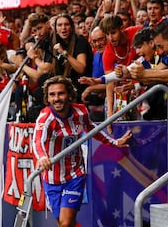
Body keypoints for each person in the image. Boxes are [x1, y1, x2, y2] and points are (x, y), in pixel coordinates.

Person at [33, 75, 132, 227]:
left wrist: (114, 142)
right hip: (52, 178)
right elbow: (37, 140)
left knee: (66, 223)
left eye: (61, 93)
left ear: (69, 95)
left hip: (75, 174)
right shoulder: (45, 117)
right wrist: (41, 157)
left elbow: (92, 129)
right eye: (52, 95)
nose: (56, 98)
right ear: (47, 98)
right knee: (64, 223)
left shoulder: (80, 112)